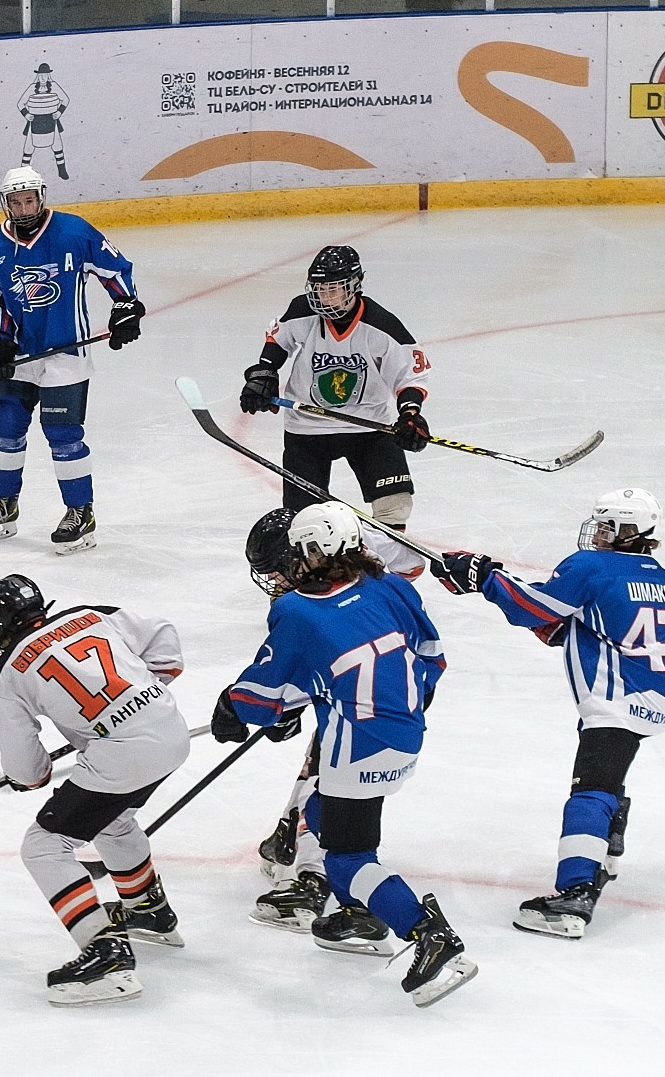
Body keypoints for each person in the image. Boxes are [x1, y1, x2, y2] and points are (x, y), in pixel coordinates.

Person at [211, 501, 476, 1007]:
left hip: (357, 746)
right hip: (406, 733)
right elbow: (431, 658)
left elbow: (264, 694)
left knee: (347, 858)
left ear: (314, 551)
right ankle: (363, 915)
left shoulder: (294, 609)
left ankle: (428, 935)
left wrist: (232, 705)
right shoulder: (391, 585)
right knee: (320, 815)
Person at [437, 487, 665, 939]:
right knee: (611, 766)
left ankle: (574, 896)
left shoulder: (591, 566)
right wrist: (489, 581)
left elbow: (532, 608)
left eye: (607, 525)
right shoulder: (662, 576)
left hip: (622, 698)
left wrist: (486, 578)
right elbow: (572, 628)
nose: (598, 533)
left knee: (591, 787)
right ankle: (607, 839)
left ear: (628, 530)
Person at [0, 573, 190, 1007]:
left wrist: (26, 777)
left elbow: (28, 770)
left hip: (122, 756)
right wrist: (137, 702)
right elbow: (164, 642)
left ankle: (105, 953)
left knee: (43, 845)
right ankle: (147, 910)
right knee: (111, 818)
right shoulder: (91, 615)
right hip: (171, 730)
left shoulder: (4, 677)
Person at [241, 506, 424, 934]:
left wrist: (262, 705)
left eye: (280, 570)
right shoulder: (363, 578)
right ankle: (339, 890)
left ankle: (313, 880)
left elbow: (267, 687)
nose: (277, 582)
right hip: (396, 712)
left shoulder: (307, 603)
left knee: (325, 787)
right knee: (322, 796)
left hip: (360, 722)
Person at [0, 166, 146, 554]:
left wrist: (126, 306)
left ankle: (81, 512)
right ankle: (5, 502)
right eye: (16, 201)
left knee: (62, 434)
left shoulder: (73, 232)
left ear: (41, 197)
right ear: (6, 204)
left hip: (66, 352)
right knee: (8, 425)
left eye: (29, 199)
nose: (24, 207)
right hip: (20, 354)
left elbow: (114, 269)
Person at [238, 245, 434, 535]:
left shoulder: (381, 325)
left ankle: (389, 567)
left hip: (368, 428)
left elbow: (409, 376)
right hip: (307, 428)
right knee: (302, 519)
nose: (323, 296)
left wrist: (409, 413)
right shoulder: (302, 310)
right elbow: (279, 341)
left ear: (353, 286)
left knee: (395, 503)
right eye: (318, 289)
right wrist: (265, 370)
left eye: (333, 289)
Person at [18, 62, 69, 180]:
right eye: (41, 75)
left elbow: (65, 99)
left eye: (45, 75)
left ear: (48, 75)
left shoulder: (54, 86)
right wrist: (27, 115)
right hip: (35, 120)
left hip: (51, 120)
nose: (43, 78)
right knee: (28, 148)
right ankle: (22, 174)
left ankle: (62, 170)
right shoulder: (32, 88)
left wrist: (59, 112)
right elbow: (21, 103)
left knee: (57, 146)